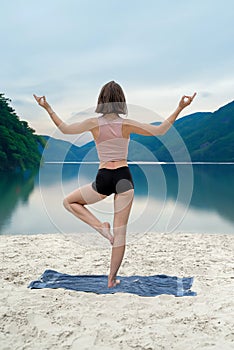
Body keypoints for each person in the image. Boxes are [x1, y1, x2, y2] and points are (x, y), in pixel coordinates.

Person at [34, 80, 196, 288]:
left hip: (103, 178)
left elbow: (64, 129)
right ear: (121, 101)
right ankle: (111, 279)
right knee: (120, 234)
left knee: (69, 202)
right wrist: (180, 107)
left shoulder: (93, 123)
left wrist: (47, 108)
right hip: (123, 177)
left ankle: (100, 227)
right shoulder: (127, 124)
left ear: (101, 100)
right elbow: (161, 130)